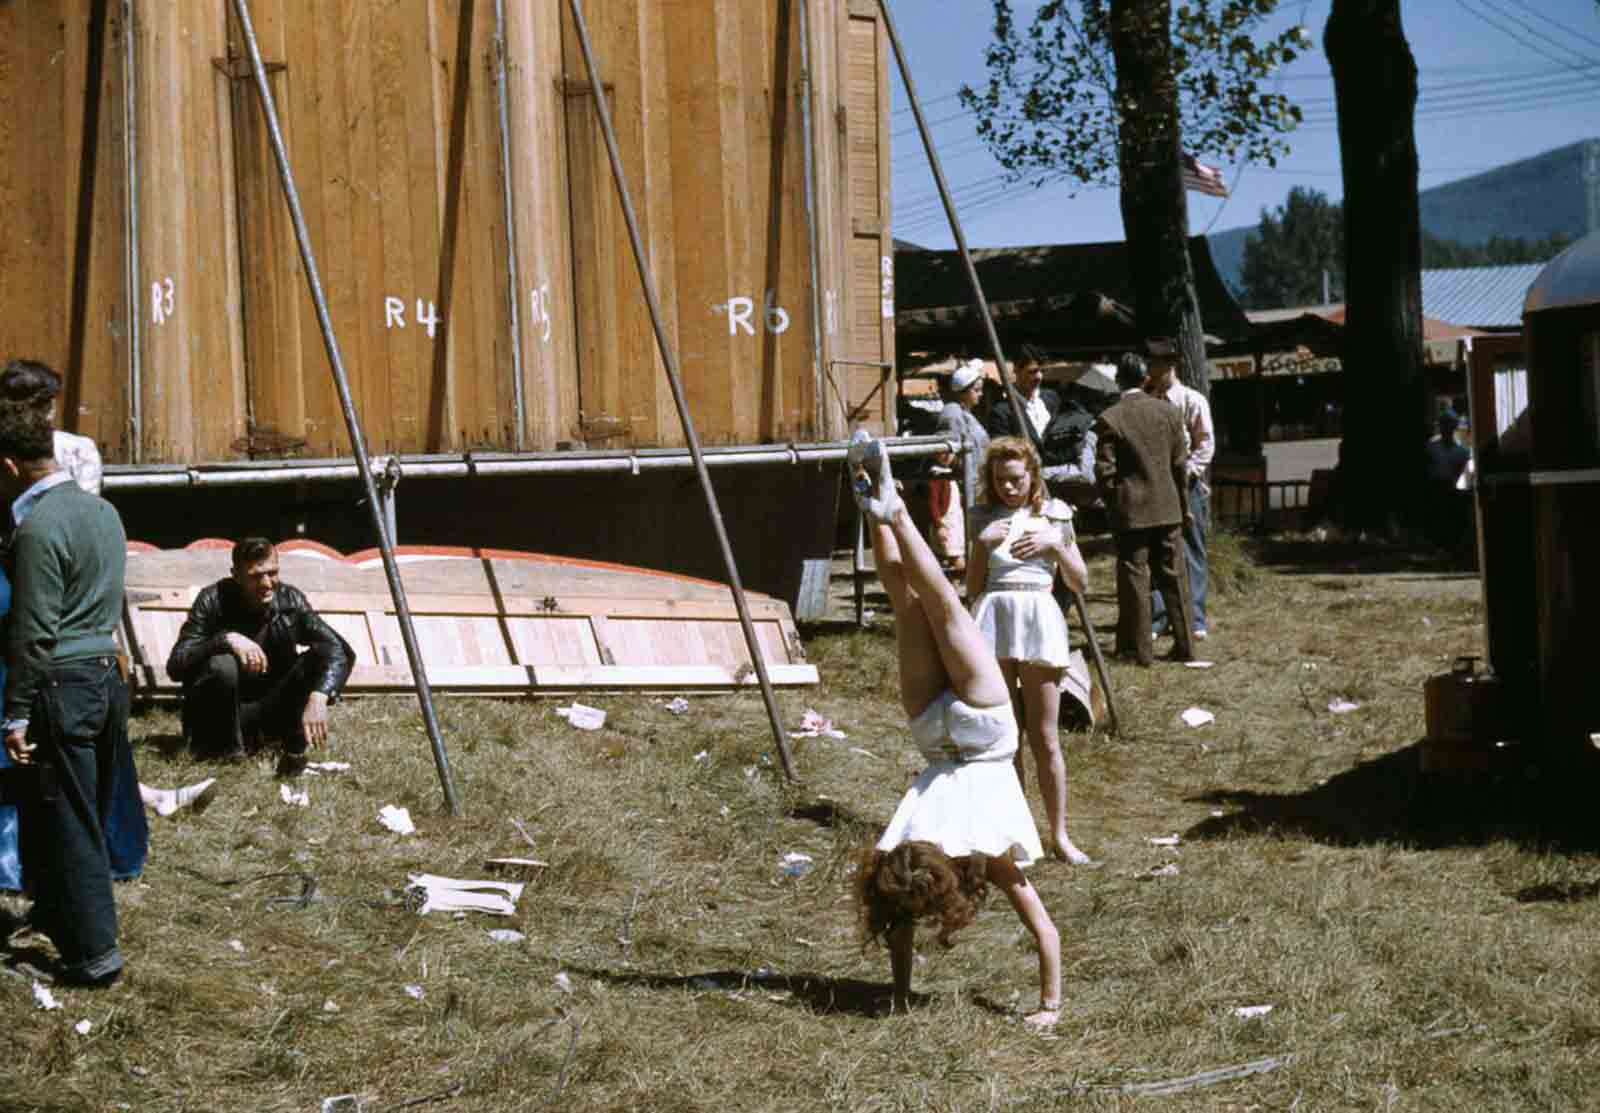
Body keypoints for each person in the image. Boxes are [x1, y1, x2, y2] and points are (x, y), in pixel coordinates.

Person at [846, 429, 1062, 1029]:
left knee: (920, 603)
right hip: (960, 734)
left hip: (954, 737)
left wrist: (901, 993)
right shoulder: (966, 856)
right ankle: (883, 509)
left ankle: (879, 508)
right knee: (927, 602)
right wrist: (1048, 1009)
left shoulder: (917, 859)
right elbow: (1044, 931)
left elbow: (899, 928)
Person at [0, 404, 133, 984]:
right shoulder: (103, 511)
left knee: (69, 820)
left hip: (61, 683)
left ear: (9, 466)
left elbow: (34, 633)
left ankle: (94, 956)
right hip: (105, 676)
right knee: (78, 807)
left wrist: (16, 714)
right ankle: (57, 912)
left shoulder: (37, 529)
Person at [966, 437, 1091, 865]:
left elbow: (1079, 582)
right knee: (1005, 735)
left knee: (1045, 736)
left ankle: (1060, 835)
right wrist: (982, 543)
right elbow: (972, 586)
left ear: (1033, 474)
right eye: (1000, 480)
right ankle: (1015, 834)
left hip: (1039, 617)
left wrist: (1054, 545)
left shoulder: (1055, 516)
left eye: (1016, 479)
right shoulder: (983, 516)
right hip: (995, 618)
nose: (1008, 488)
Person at [166, 538, 354, 775]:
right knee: (221, 665)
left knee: (317, 658)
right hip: (222, 718)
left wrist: (319, 696)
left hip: (271, 709)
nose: (266, 583)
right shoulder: (212, 599)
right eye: (256, 576)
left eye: (272, 573)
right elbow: (176, 664)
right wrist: (225, 640)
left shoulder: (290, 599)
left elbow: (339, 650)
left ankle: (288, 745)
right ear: (236, 575)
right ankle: (224, 753)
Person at [1094, 354, 1195, 667]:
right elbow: (1181, 467)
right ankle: (1186, 646)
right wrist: (1183, 506)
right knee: (1175, 577)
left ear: (1118, 380)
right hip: (1168, 508)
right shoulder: (1168, 412)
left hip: (1131, 511)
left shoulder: (1111, 418)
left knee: (1135, 579)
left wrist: (1114, 504)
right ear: (1144, 378)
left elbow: (1104, 472)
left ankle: (1140, 651)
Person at [1142, 341, 1214, 641]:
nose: (1151, 370)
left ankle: (1194, 617)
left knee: (1192, 549)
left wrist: (1189, 473)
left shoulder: (1191, 400)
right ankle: (1160, 617)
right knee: (1159, 550)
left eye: (1155, 364)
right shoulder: (1147, 400)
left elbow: (1205, 443)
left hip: (1187, 485)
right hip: (1157, 485)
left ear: (1169, 365)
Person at [928, 360, 990, 573]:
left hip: (977, 481)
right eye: (976, 390)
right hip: (964, 486)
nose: (980, 394)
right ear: (963, 392)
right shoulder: (952, 413)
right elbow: (946, 451)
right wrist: (963, 467)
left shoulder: (967, 414)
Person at [985, 345, 1060, 443]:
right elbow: (1002, 452)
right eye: (1032, 371)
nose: (1039, 376)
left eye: (1042, 371)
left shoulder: (1051, 399)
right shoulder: (1002, 412)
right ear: (1017, 370)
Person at [1424, 410, 1470, 547]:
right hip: (1434, 491)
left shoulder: (1462, 452)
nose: (1446, 428)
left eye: (1449, 425)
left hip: (1453, 493)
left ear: (1454, 427)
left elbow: (1464, 477)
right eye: (1444, 425)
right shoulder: (1431, 448)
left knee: (1452, 526)